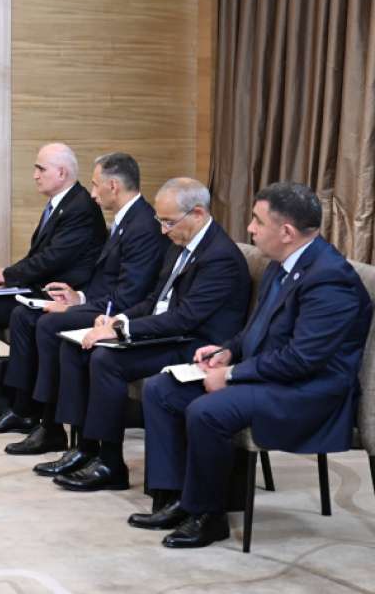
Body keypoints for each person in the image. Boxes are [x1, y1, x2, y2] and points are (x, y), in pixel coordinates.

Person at [136, 182, 371, 548]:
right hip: (272, 374)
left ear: (287, 232)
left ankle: (207, 515)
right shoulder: (282, 263)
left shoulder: (330, 280)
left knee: (207, 410)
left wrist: (231, 374)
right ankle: (174, 498)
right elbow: (257, 329)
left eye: (258, 221)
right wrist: (227, 352)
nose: (250, 229)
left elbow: (303, 359)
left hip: (309, 392)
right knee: (161, 389)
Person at [47, 178, 250, 493]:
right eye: (160, 221)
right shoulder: (180, 243)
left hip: (195, 344)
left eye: (169, 222)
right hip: (168, 333)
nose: (163, 230)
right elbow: (155, 300)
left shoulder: (219, 257)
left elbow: (184, 319)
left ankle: (110, 463)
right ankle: (85, 447)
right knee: (77, 347)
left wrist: (119, 331)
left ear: (198, 213)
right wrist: (119, 319)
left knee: (106, 359)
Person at [0, 153, 167, 457]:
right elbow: (105, 280)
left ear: (113, 186)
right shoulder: (126, 220)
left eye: (95, 185)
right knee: (28, 315)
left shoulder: (143, 225)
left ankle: (52, 425)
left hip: (119, 313)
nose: (91, 193)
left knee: (49, 324)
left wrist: (74, 309)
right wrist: (78, 297)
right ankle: (28, 411)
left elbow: (129, 294)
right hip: (102, 303)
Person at [0, 143, 107, 413]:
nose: (35, 175)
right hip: (39, 286)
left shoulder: (80, 208)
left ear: (61, 173)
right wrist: (8, 276)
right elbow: (38, 256)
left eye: (41, 169)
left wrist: (8, 275)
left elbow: (53, 258)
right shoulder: (62, 204)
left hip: (58, 293)